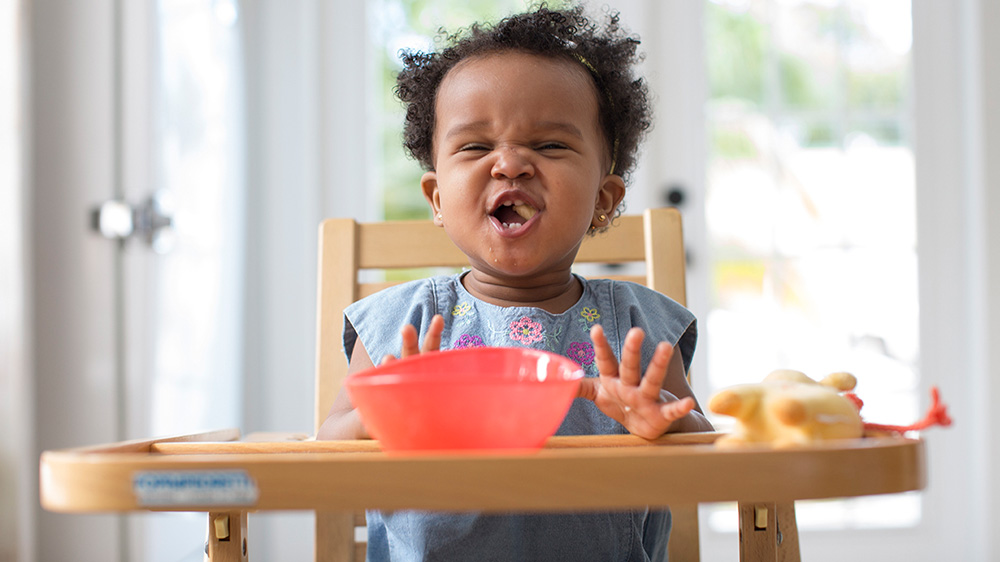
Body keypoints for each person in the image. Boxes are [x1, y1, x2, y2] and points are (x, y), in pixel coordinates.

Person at [318, 4, 713, 560]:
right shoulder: (399, 327)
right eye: (476, 146)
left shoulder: (636, 329)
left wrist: (665, 421)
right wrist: (383, 415)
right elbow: (324, 447)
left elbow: (714, 456)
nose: (510, 164)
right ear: (436, 198)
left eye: (550, 146)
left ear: (603, 201)